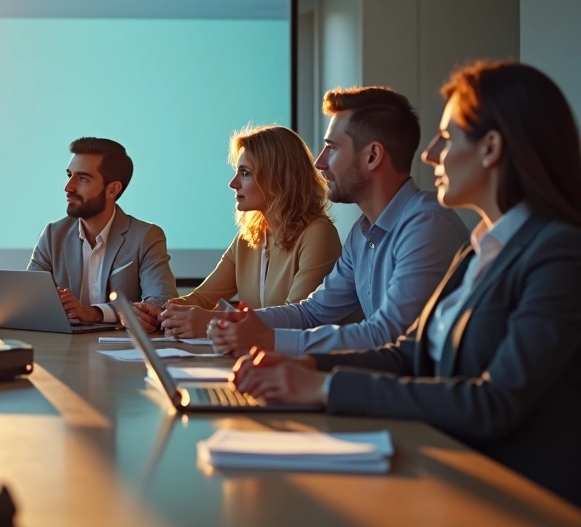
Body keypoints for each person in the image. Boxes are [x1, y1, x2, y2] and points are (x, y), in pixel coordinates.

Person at [232, 61, 581, 507]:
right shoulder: (477, 250)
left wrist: (324, 387)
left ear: (492, 147)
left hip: (514, 498)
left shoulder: (558, 253)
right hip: (450, 468)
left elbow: (495, 402)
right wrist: (309, 368)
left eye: (448, 137)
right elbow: (411, 353)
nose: (431, 153)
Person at [162, 87, 468, 355]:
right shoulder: (362, 235)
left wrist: (263, 338)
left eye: (332, 148)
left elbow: (386, 335)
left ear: (372, 156)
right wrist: (237, 324)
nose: (319, 162)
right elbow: (313, 311)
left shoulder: (427, 226)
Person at [134, 125, 341, 332]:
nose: (233, 183)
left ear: (278, 178)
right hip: (261, 356)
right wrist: (160, 312)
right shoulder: (249, 236)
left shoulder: (318, 234)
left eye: (245, 173)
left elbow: (298, 318)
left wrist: (210, 320)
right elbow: (201, 298)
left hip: (307, 361)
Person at [28, 137, 177, 324]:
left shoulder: (145, 236)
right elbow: (28, 299)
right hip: (63, 347)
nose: (68, 187)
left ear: (113, 189)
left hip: (123, 349)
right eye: (69, 176)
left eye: (82, 178)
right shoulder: (53, 234)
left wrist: (96, 313)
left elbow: (161, 301)